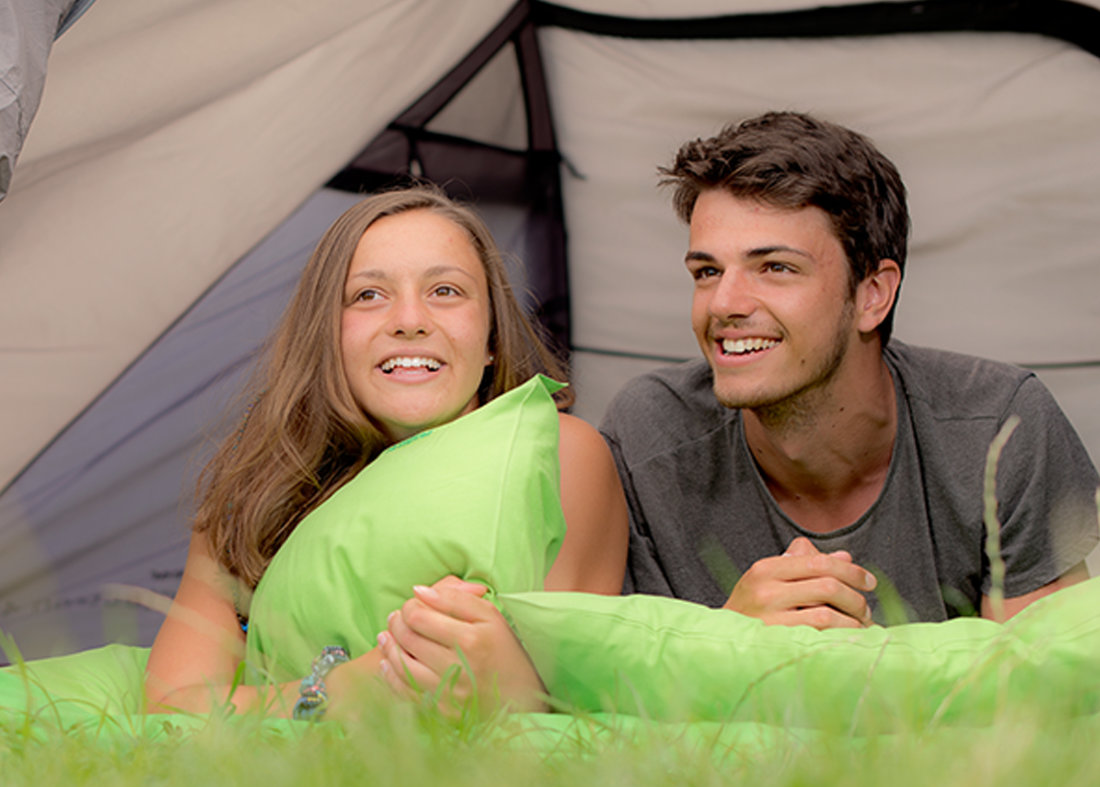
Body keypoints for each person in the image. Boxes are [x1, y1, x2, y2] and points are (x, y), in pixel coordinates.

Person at [599, 111, 1098, 628]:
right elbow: (597, 693)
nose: (723, 303)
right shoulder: (647, 436)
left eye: (775, 268)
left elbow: (1042, 691)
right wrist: (730, 640)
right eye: (707, 272)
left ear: (872, 294)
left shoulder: (1000, 427)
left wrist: (862, 667)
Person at [143, 187, 627, 717]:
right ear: (327, 334)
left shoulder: (560, 455)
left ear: (491, 337)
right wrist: (348, 689)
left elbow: (569, 699)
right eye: (369, 295)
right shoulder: (251, 499)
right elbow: (174, 707)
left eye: (445, 290)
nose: (409, 319)